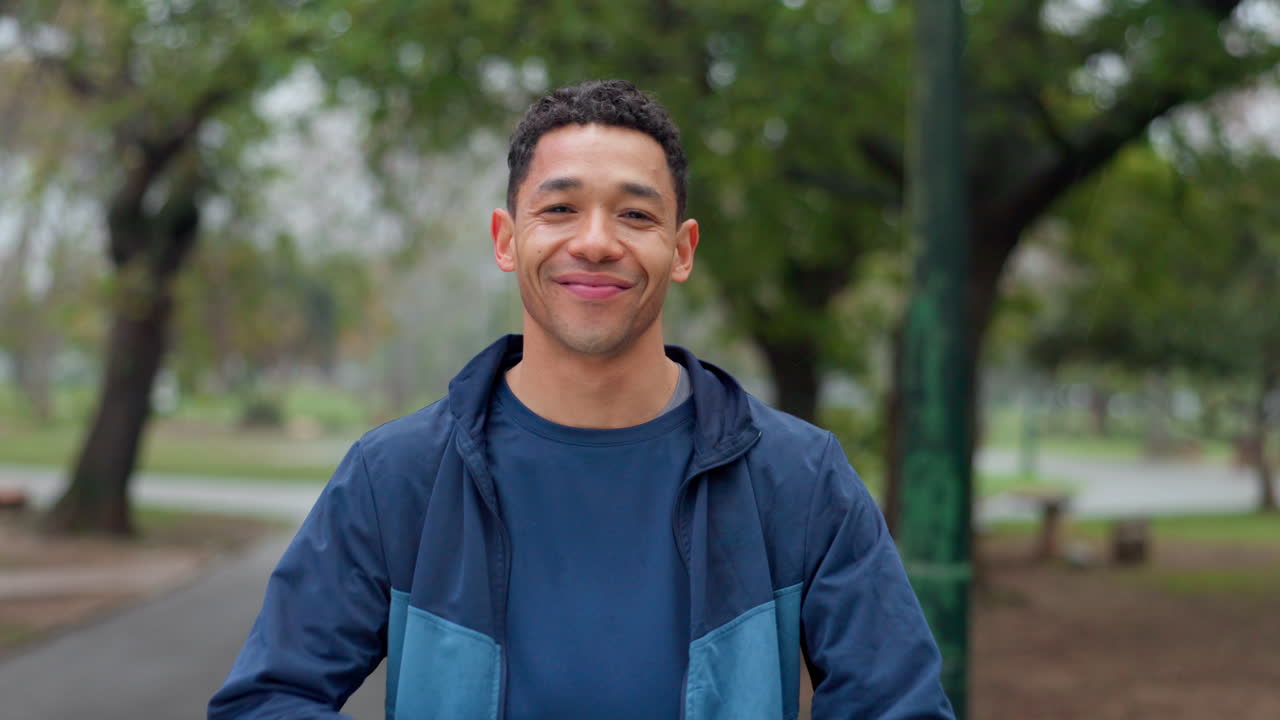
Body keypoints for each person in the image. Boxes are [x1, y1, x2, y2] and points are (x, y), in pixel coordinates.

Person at [209, 79, 954, 720]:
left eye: (635, 215)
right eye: (560, 209)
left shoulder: (801, 479)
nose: (596, 242)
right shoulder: (396, 475)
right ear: (507, 239)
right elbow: (267, 699)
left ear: (683, 249)